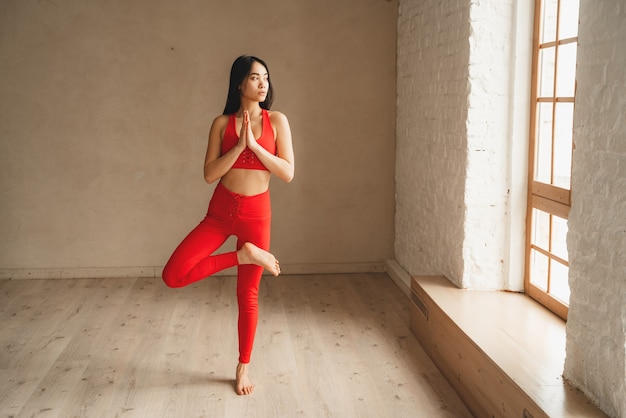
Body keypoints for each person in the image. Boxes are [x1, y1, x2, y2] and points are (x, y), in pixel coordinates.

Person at [162, 55, 295, 396]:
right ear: (239, 84)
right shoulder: (221, 124)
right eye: (254, 77)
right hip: (220, 213)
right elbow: (209, 175)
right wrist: (238, 147)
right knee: (173, 275)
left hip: (256, 215)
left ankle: (243, 366)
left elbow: (287, 172)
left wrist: (254, 146)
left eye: (265, 77)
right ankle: (243, 256)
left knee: (247, 295)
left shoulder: (277, 120)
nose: (262, 83)